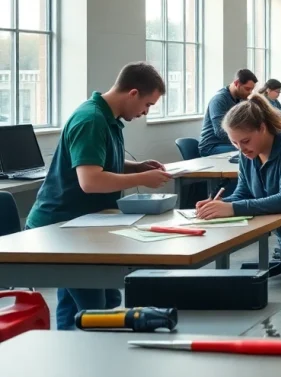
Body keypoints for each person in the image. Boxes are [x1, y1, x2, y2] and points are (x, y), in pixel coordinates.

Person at [25, 62, 173, 330]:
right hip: (60, 225)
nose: (144, 113)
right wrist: (142, 179)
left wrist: (136, 167)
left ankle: (73, 359)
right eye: (147, 105)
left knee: (94, 300)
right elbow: (90, 180)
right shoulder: (91, 119)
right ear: (133, 93)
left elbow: (97, 164)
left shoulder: (109, 119)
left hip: (84, 224)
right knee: (96, 305)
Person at [195, 95, 281, 260]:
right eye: (235, 143)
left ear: (262, 128)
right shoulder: (248, 153)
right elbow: (244, 192)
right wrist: (220, 204)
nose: (241, 149)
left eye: (245, 141)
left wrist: (231, 208)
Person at [199, 69, 258, 156]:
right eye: (247, 89)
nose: (249, 93)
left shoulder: (240, 100)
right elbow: (220, 132)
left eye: (251, 90)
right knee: (251, 148)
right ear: (237, 83)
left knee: (258, 146)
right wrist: (245, 138)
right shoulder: (219, 100)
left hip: (229, 143)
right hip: (212, 146)